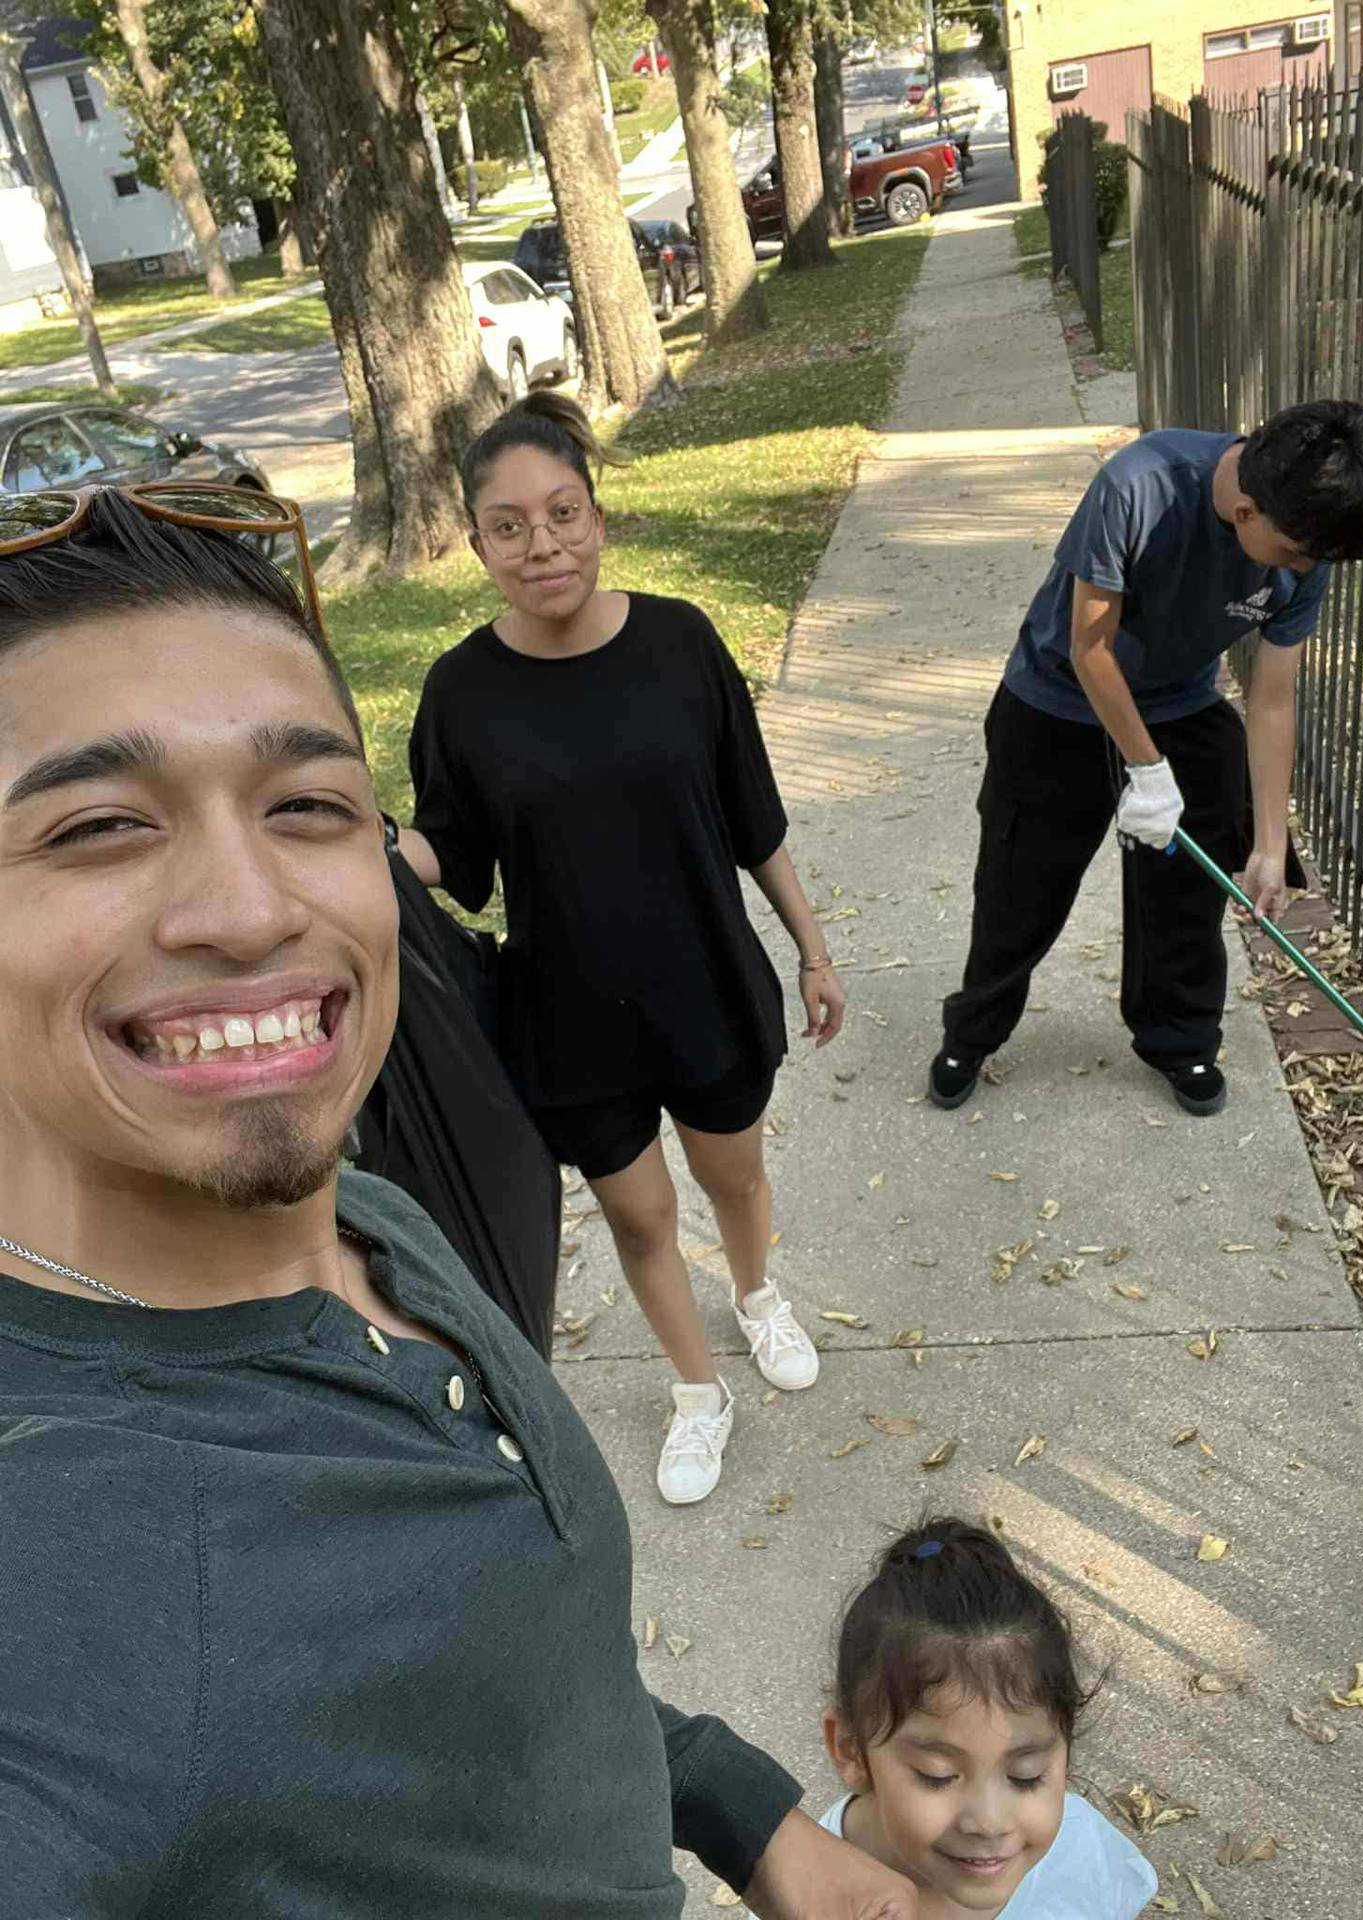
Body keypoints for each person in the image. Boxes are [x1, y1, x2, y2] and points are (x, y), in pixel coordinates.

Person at [0, 485, 914, 1920]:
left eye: (306, 807)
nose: (247, 908)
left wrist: (760, 1825)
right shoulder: (51, 1588)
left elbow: (509, 1672)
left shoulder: (368, 1224)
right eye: (99, 826)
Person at [400, 392, 846, 1505]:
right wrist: (343, 837)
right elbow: (453, 855)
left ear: (599, 518)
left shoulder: (681, 642)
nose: (541, 543)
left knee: (732, 1176)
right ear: (477, 546)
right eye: (510, 526)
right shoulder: (460, 693)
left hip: (703, 983)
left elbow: (754, 816)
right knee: (640, 1215)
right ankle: (699, 1394)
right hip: (572, 1011)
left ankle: (755, 1295)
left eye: (562, 513)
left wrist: (814, 949)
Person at [930, 400, 1363, 1119]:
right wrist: (1146, 771)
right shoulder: (1139, 486)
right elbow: (1091, 649)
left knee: (1185, 894)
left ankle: (1181, 1038)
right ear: (1244, 513)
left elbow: (1272, 697)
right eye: (1296, 553)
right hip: (1056, 699)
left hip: (1179, 703)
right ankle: (974, 1032)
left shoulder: (1310, 540)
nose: (1304, 569)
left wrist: (1270, 841)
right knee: (1019, 888)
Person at [757, 1518, 1157, 1918]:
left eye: (1027, 1775)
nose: (989, 1822)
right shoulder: (806, 1902)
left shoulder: (1078, 1849)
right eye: (938, 1775)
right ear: (850, 1750)